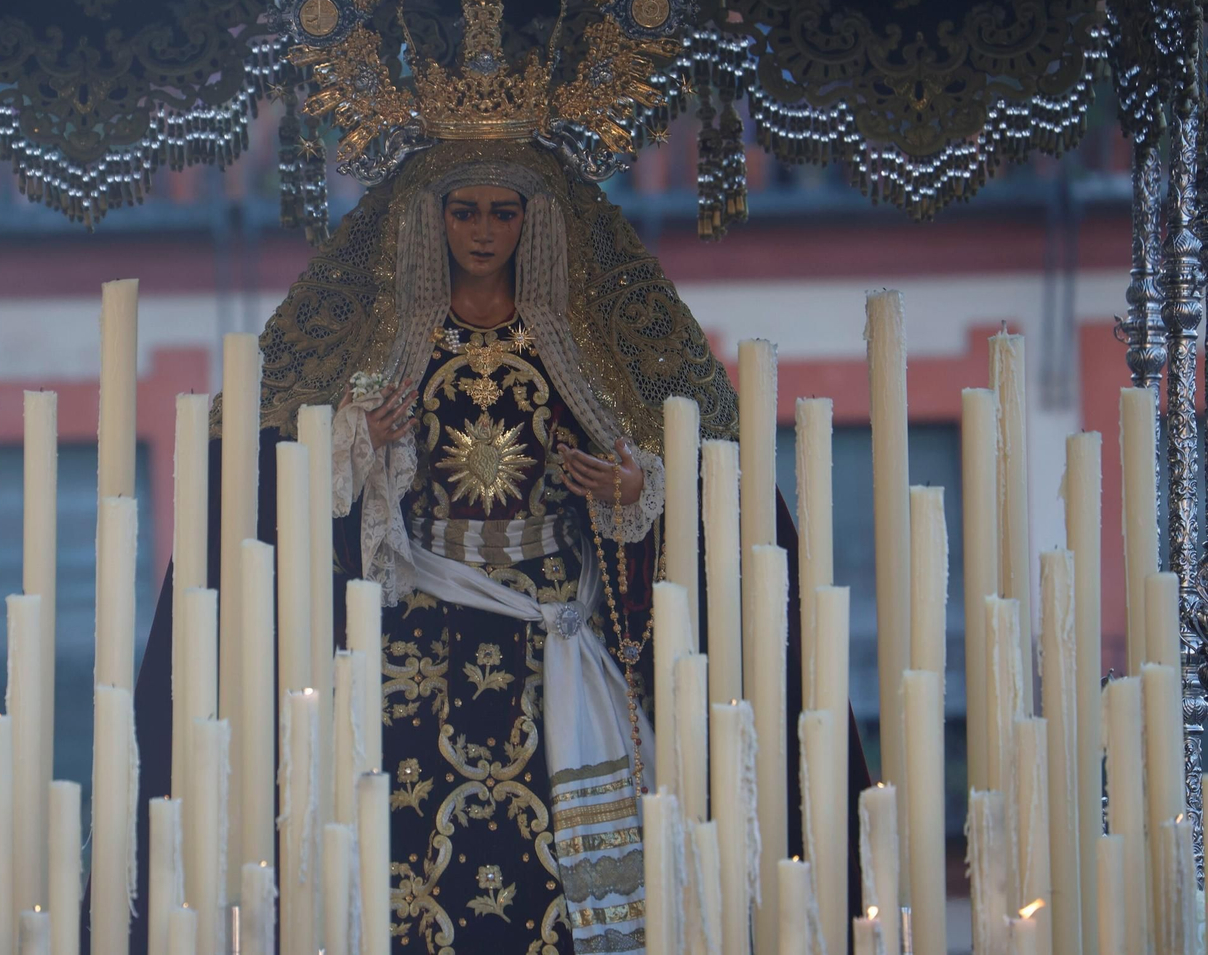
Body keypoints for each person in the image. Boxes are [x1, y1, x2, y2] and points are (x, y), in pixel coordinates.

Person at [124, 140, 870, 954]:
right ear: (434, 221)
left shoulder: (577, 353)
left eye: (503, 212)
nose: (484, 232)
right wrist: (356, 443)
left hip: (555, 625)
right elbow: (295, 489)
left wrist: (631, 492)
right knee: (399, 847)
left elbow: (676, 476)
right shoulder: (391, 349)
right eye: (465, 211)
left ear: (531, 221)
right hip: (420, 638)